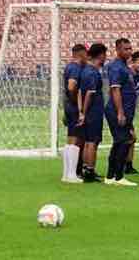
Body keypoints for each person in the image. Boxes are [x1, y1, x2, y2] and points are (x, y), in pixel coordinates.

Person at [103, 38, 138, 187]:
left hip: (126, 111)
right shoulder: (116, 67)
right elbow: (115, 89)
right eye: (126, 49)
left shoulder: (125, 66)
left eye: (130, 49)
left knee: (120, 142)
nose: (129, 51)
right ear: (117, 50)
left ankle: (111, 176)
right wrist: (120, 112)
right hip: (117, 111)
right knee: (123, 141)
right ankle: (118, 176)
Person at [79, 43, 108, 183]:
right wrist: (84, 112)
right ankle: (90, 170)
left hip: (90, 111)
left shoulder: (86, 70)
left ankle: (86, 168)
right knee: (93, 141)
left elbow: (80, 92)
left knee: (88, 141)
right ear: (101, 55)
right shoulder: (92, 72)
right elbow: (89, 94)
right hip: (93, 112)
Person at [61, 44, 88, 184]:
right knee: (75, 140)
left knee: (70, 138)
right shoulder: (75, 68)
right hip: (74, 107)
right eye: (86, 54)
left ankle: (67, 173)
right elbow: (72, 87)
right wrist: (78, 109)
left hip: (69, 106)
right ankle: (71, 174)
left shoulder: (69, 66)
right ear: (81, 54)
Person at [124, 51, 139, 175]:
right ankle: (123, 165)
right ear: (132, 62)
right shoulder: (127, 75)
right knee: (128, 138)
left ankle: (128, 165)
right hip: (123, 111)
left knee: (131, 139)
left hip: (130, 111)